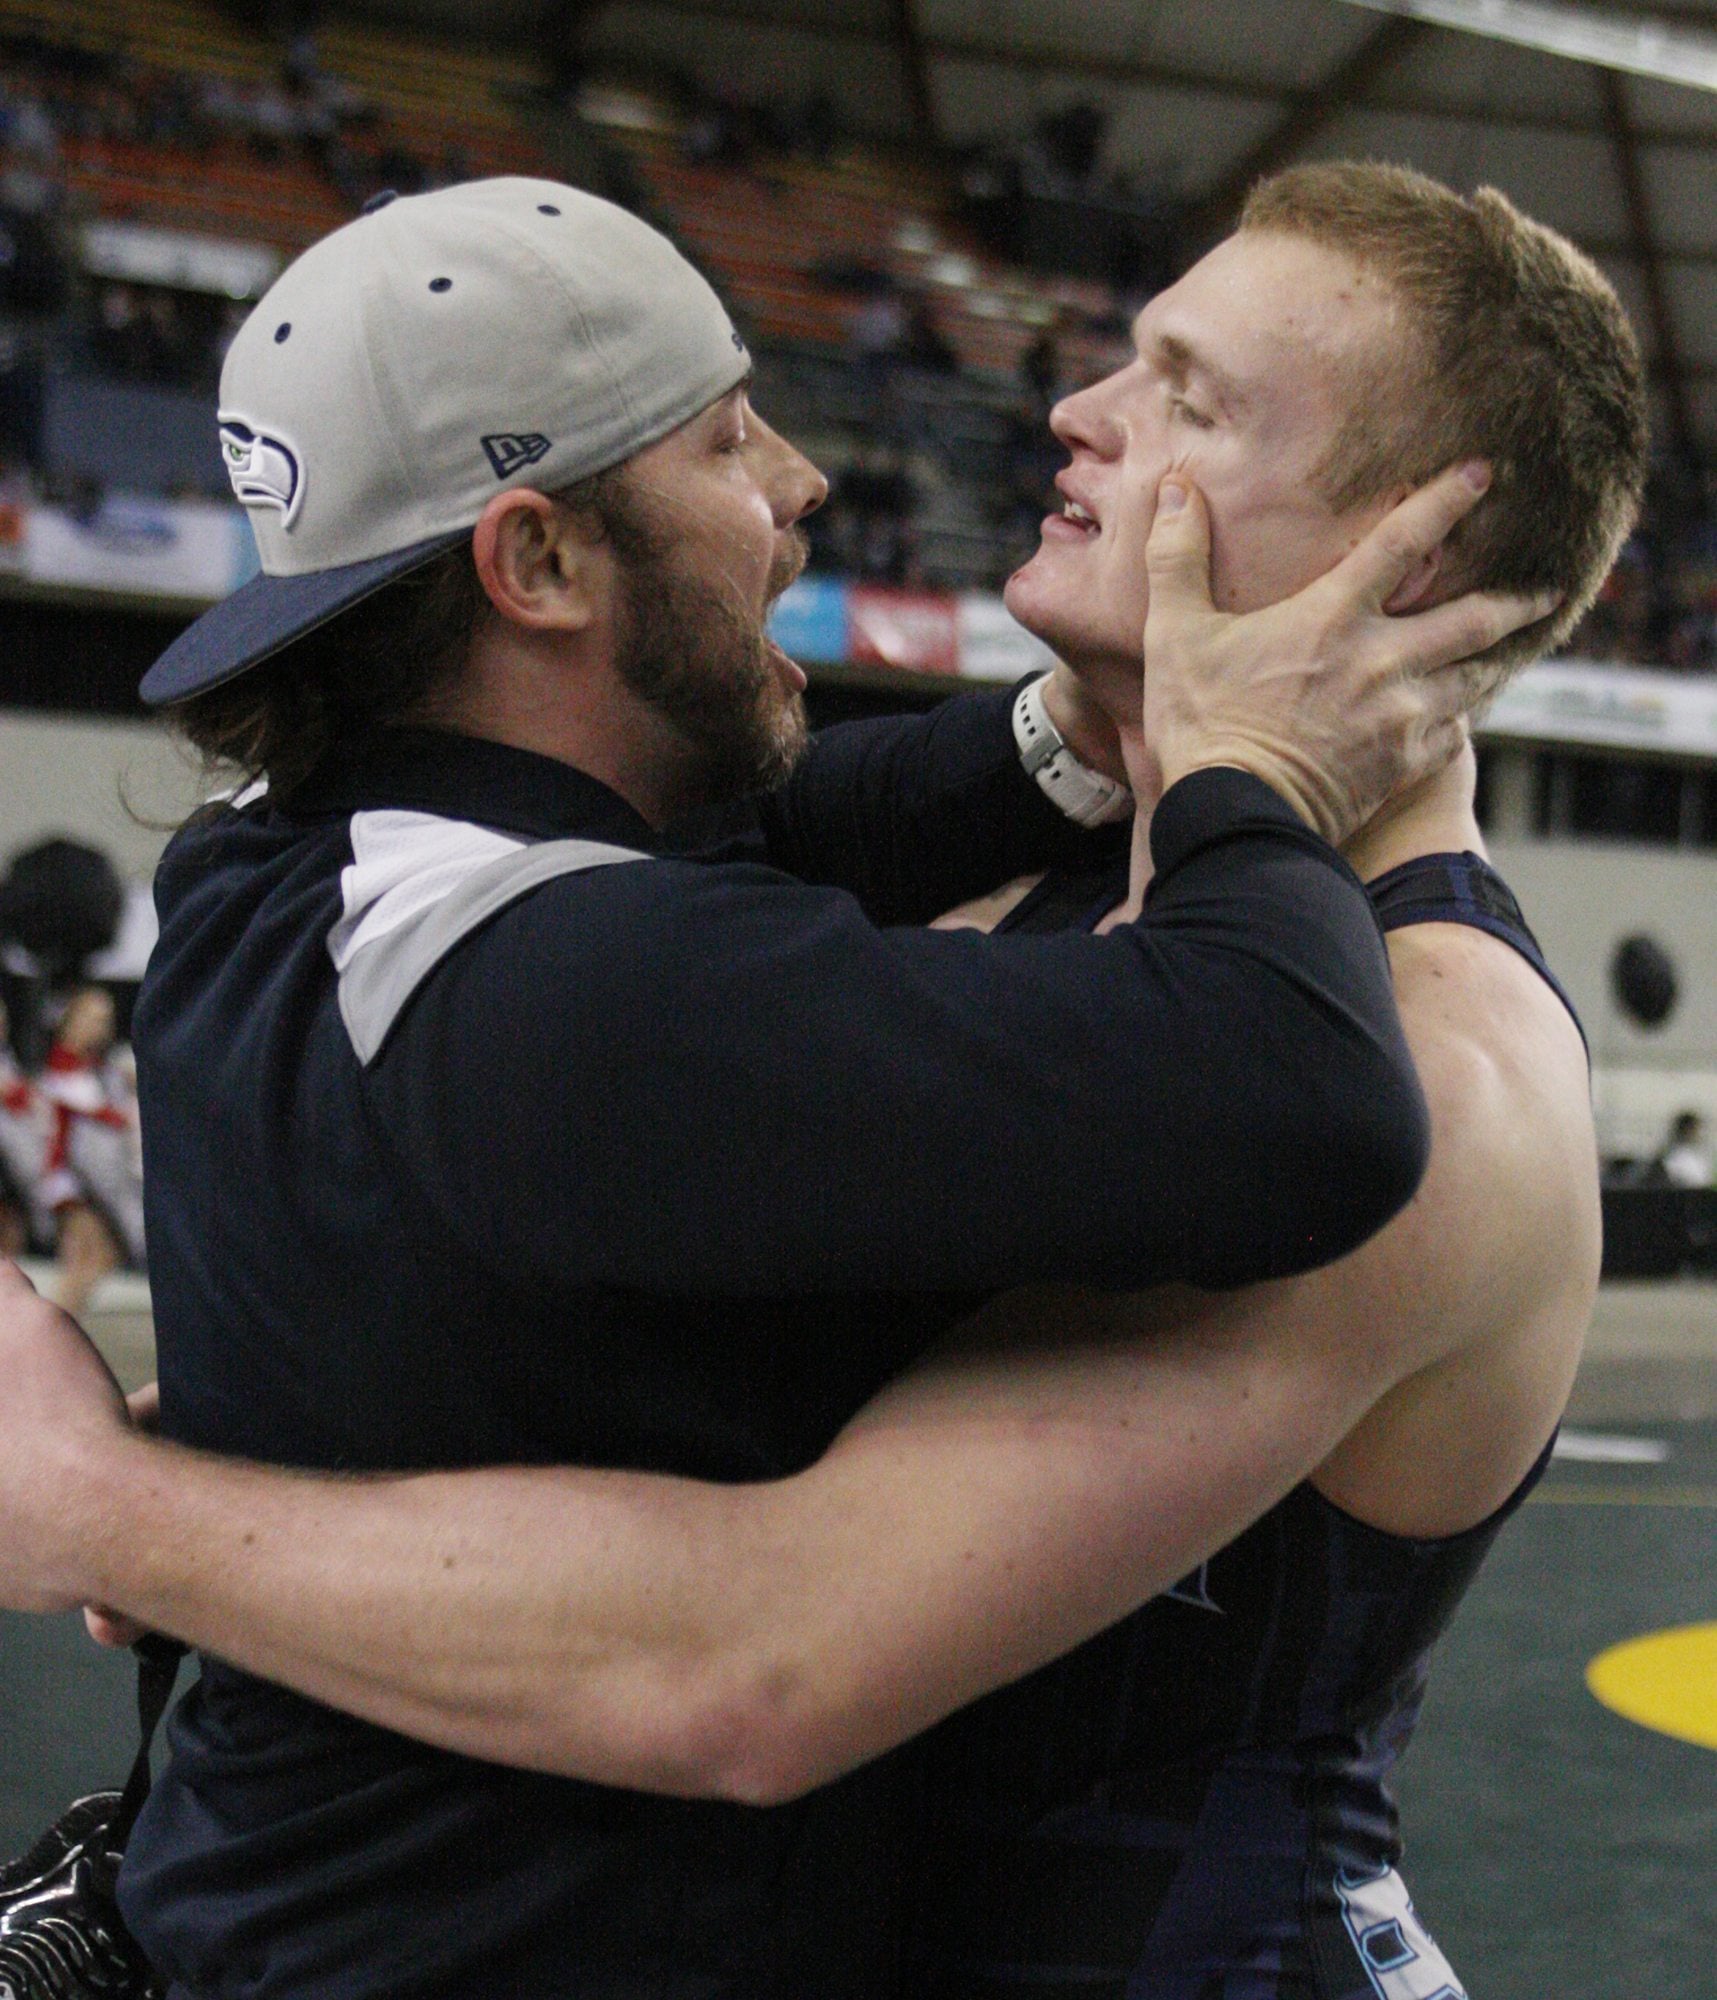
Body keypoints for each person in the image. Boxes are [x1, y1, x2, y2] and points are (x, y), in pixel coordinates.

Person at [0, 171, 1556, 2000]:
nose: (806, 480)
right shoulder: (573, 994)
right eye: (728, 443)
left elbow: (786, 835)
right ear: (541, 563)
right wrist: (1244, 772)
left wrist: (1081, 739)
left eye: (1187, 396)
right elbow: (1288, 1094)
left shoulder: (283, 863)